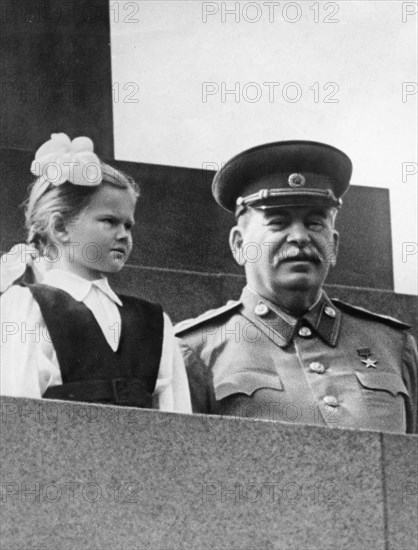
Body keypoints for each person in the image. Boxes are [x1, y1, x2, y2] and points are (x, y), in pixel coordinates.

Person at [175, 140, 417, 433]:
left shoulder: (392, 346)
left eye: (315, 223)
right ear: (240, 245)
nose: (300, 237)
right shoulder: (196, 351)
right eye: (278, 223)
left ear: (334, 246)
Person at [0, 133, 191, 413]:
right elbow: (15, 414)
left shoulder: (154, 322)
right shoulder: (29, 307)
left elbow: (180, 422)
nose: (123, 235)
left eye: (129, 226)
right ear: (61, 228)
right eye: (109, 222)